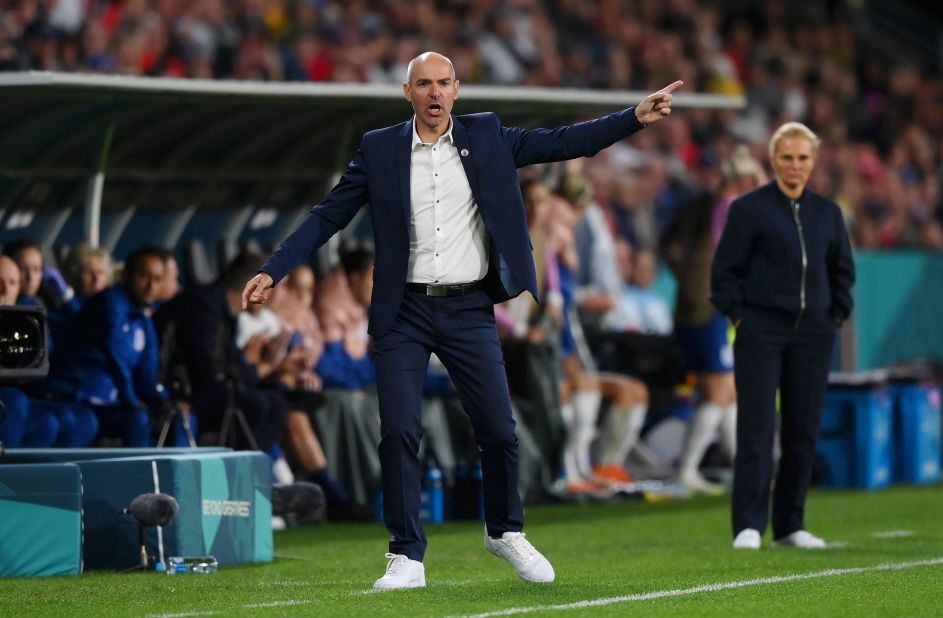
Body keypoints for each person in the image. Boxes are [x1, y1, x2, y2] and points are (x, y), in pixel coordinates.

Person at [243, 51, 681, 588]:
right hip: (402, 309)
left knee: (499, 430)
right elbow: (327, 214)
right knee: (400, 430)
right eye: (422, 84)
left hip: (469, 307)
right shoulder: (380, 149)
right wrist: (275, 269)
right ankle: (405, 555)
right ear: (407, 92)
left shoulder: (489, 136)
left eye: (442, 83)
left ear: (456, 89)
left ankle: (505, 531)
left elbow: (567, 141)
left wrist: (633, 117)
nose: (433, 93)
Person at [711, 122, 855, 550]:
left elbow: (842, 271)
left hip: (814, 334)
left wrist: (836, 316)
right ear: (773, 159)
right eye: (787, 157)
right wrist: (741, 318)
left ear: (813, 161)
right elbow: (724, 275)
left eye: (803, 158)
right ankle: (749, 526)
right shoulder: (748, 209)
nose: (795, 166)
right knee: (756, 428)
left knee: (803, 428)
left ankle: (790, 525)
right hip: (761, 331)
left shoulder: (828, 213)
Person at [663, 146, 765, 495]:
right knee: (720, 392)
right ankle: (687, 469)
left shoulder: (698, 206)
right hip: (707, 308)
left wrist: (686, 276)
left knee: (726, 391)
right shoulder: (726, 207)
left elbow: (668, 244)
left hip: (692, 304)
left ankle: (746, 471)